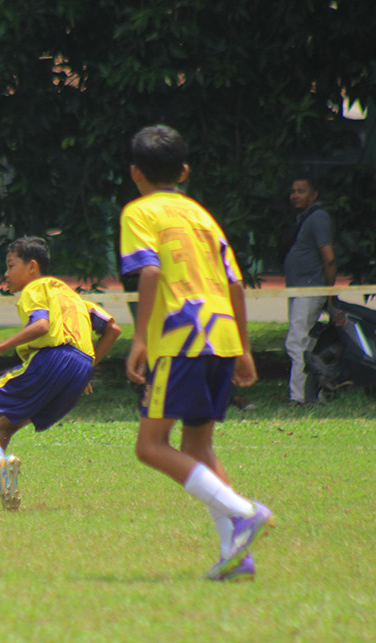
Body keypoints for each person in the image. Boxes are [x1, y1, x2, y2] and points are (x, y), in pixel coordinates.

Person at [119, 124, 272, 581]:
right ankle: (236, 555)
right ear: (184, 170)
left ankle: (243, 512)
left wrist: (142, 338)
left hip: (181, 340)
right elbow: (234, 283)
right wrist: (243, 347)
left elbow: (148, 275)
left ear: (134, 173)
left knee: (150, 446)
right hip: (221, 336)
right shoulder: (202, 215)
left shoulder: (139, 212)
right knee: (197, 446)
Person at [0, 237, 121, 511]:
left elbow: (40, 326)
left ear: (32, 267)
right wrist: (87, 367)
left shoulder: (35, 288)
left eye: (11, 265)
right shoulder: (73, 296)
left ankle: (1, 466)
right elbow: (113, 329)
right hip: (79, 366)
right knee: (2, 428)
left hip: (51, 359)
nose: (6, 273)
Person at [281, 175, 336, 405]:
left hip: (310, 289)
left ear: (314, 195)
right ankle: (313, 392)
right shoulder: (304, 218)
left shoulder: (318, 218)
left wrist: (329, 293)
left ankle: (299, 397)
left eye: (301, 191)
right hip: (300, 290)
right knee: (306, 343)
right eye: (293, 190)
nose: (295, 195)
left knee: (296, 342)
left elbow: (329, 259)